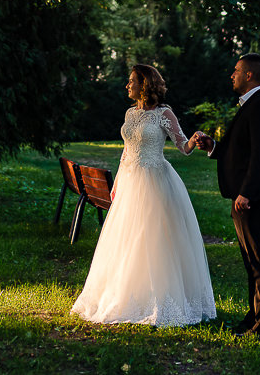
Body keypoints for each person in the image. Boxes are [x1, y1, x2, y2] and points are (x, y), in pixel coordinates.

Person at [71, 64, 216, 326]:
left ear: (145, 84)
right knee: (127, 240)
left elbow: (183, 146)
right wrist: (118, 179)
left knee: (154, 239)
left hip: (156, 181)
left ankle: (160, 298)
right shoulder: (129, 113)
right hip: (129, 181)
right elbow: (127, 149)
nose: (127, 86)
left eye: (131, 81)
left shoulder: (164, 113)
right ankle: (128, 294)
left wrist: (195, 140)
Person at [195, 53, 260, 342]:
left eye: (236, 71)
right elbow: (241, 151)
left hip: (255, 199)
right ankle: (254, 317)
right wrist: (213, 146)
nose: (231, 75)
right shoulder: (250, 106)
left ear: (248, 75)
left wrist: (247, 192)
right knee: (251, 262)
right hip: (245, 198)